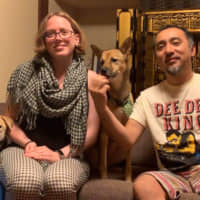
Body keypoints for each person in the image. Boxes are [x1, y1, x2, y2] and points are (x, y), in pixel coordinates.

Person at [88, 25, 200, 200]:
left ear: (193, 50)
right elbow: (127, 139)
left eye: (175, 43)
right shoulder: (147, 98)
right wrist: (101, 106)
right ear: (157, 57)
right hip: (170, 174)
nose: (168, 50)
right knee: (143, 184)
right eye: (161, 46)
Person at [1, 11, 99, 200]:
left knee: (59, 182)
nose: (58, 38)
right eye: (51, 34)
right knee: (25, 180)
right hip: (23, 149)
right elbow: (8, 121)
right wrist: (28, 144)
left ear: (76, 38)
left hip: (69, 153)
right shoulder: (24, 73)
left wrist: (60, 154)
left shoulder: (90, 79)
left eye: (64, 32)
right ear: (44, 41)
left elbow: (91, 132)